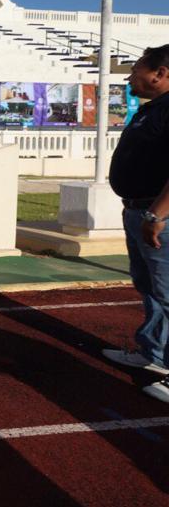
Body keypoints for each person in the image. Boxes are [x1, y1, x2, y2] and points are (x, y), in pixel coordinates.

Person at [106, 44, 169, 403]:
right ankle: (154, 354)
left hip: (157, 216)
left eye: (137, 69)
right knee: (150, 287)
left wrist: (156, 214)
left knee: (168, 292)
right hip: (139, 212)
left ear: (160, 74)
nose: (130, 76)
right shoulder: (152, 110)